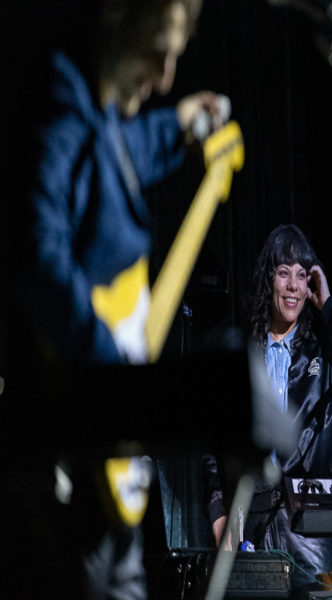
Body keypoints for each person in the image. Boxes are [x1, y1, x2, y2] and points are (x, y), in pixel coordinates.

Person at [0, 1, 226, 598]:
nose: (166, 78)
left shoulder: (92, 113)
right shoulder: (59, 94)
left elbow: (118, 152)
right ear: (118, 23)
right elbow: (36, 251)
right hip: (65, 452)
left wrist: (178, 124)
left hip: (95, 449)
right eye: (158, 54)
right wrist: (115, 377)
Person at [204, 224, 332, 597]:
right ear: (270, 280)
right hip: (251, 526)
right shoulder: (243, 353)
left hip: (308, 532)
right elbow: (214, 442)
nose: (293, 285)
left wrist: (328, 306)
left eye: (301, 275)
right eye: (284, 273)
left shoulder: (321, 350)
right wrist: (218, 513)